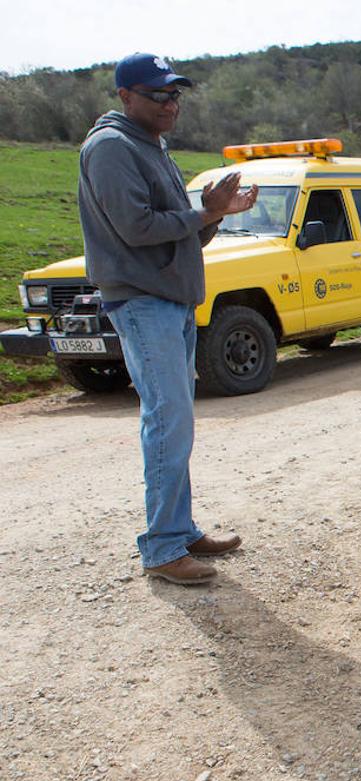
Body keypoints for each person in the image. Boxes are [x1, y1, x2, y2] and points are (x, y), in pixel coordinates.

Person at [78, 52, 259, 585]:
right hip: (143, 299)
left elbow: (177, 228)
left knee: (176, 421)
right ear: (125, 97)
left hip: (171, 297)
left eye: (175, 93)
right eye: (158, 94)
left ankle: (178, 530)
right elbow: (136, 227)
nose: (170, 103)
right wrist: (206, 212)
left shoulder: (151, 145)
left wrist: (214, 214)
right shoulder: (111, 147)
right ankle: (161, 548)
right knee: (168, 419)